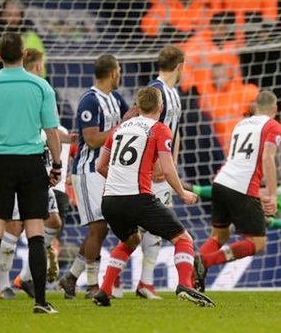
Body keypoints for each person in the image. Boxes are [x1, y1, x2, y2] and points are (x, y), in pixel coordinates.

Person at [91, 87, 214, 308]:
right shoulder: (159, 129)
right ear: (161, 107)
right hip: (137, 198)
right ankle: (186, 285)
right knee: (183, 239)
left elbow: (100, 166)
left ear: (137, 107)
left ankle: (104, 290)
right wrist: (182, 193)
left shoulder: (119, 129)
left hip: (109, 200)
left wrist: (122, 178)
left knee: (130, 240)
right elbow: (167, 169)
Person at [0, 32, 61, 314]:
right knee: (35, 231)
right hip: (32, 163)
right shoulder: (41, 86)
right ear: (24, 54)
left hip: (0, 162)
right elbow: (52, 131)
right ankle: (41, 303)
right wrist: (56, 165)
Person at [0, 49, 70, 299]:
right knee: (14, 226)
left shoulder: (39, 88)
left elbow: (49, 127)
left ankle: (25, 278)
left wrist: (61, 141)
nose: (43, 69)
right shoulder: (31, 89)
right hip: (19, 164)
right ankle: (1, 284)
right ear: (35, 66)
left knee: (53, 222)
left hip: (37, 168)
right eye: (41, 65)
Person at [193, 90, 281, 292]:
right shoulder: (273, 126)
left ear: (254, 108)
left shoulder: (240, 124)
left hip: (221, 181)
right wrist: (272, 193)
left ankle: (193, 274)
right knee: (258, 243)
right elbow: (268, 157)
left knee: (219, 236)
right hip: (242, 186)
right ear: (275, 109)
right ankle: (205, 261)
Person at [58, 54, 129, 300]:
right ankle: (90, 285)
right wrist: (122, 127)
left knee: (100, 229)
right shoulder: (89, 100)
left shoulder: (115, 98)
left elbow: (127, 121)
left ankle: (70, 278)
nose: (120, 74)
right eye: (118, 70)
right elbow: (92, 139)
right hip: (87, 171)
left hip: (106, 171)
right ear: (113, 73)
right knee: (98, 227)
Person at [124, 46, 185, 300]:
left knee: (152, 227)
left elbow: (175, 132)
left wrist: (171, 164)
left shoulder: (174, 94)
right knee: (141, 228)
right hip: (146, 171)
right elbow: (134, 123)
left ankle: (143, 284)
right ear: (180, 66)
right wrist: (155, 163)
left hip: (163, 171)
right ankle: (120, 282)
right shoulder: (155, 91)